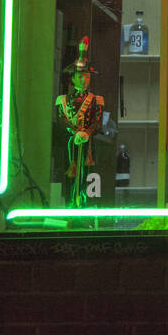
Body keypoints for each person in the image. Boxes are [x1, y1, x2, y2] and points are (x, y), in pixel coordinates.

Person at [56, 36, 104, 209]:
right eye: (80, 76)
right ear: (73, 78)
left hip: (88, 143)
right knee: (68, 174)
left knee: (88, 175)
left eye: (87, 76)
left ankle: (85, 204)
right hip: (70, 142)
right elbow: (61, 120)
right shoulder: (63, 99)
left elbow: (97, 122)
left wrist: (86, 133)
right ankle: (69, 204)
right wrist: (74, 132)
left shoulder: (96, 100)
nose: (84, 79)